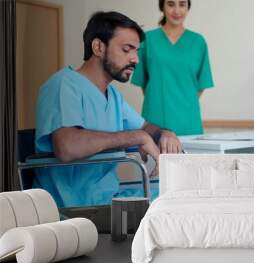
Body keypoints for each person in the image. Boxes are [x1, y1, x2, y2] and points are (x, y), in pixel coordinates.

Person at [34, 11, 182, 208]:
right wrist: (136, 137)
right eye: (127, 49)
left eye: (136, 51)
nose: (135, 59)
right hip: (73, 206)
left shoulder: (112, 95)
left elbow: (145, 128)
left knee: (181, 195)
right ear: (98, 47)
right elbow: (67, 147)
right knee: (169, 207)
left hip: (109, 198)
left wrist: (166, 133)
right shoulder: (63, 85)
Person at [131, 0, 214, 136]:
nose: (176, 11)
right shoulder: (147, 39)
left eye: (182, 4)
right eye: (171, 4)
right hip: (155, 120)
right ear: (162, 7)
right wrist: (159, 100)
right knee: (156, 156)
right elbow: (143, 81)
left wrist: (183, 102)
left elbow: (202, 83)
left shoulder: (198, 42)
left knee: (188, 156)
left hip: (188, 121)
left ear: (188, 8)